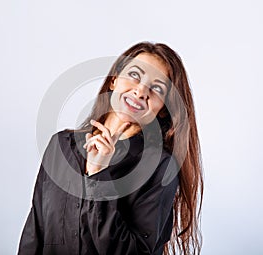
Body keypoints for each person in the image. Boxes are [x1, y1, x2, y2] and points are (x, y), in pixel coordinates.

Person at [18, 42, 203, 255]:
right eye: (135, 75)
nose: (141, 91)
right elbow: (35, 232)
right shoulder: (60, 146)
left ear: (162, 110)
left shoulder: (161, 168)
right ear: (114, 80)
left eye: (157, 88)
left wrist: (99, 175)